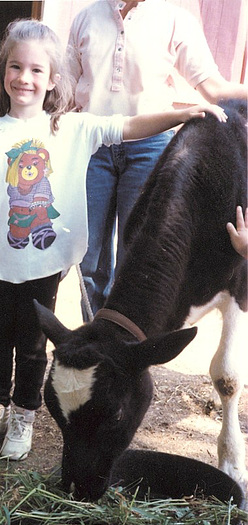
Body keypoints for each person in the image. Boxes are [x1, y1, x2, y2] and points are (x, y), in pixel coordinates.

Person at [0, 18, 226, 460]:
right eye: (15, 68)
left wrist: (180, 114)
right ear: (2, 75)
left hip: (44, 262)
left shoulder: (70, 129)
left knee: (35, 344)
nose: (25, 78)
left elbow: (127, 127)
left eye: (37, 70)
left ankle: (23, 414)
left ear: (54, 79)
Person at [68, 0, 248, 319]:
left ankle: (124, 345)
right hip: (93, 145)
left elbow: (214, 88)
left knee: (135, 255)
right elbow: (63, 89)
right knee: (87, 256)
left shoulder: (173, 20)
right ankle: (96, 336)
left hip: (149, 147)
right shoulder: (86, 18)